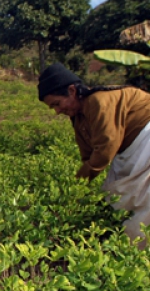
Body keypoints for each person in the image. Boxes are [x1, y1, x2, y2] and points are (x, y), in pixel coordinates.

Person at [38, 62, 150, 249]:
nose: (57, 111)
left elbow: (105, 149)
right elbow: (88, 155)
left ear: (72, 91)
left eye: (57, 104)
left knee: (145, 202)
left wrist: (78, 184)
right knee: (113, 197)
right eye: (53, 108)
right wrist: (76, 189)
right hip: (128, 154)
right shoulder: (79, 118)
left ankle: (137, 252)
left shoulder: (98, 101)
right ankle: (122, 247)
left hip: (146, 142)